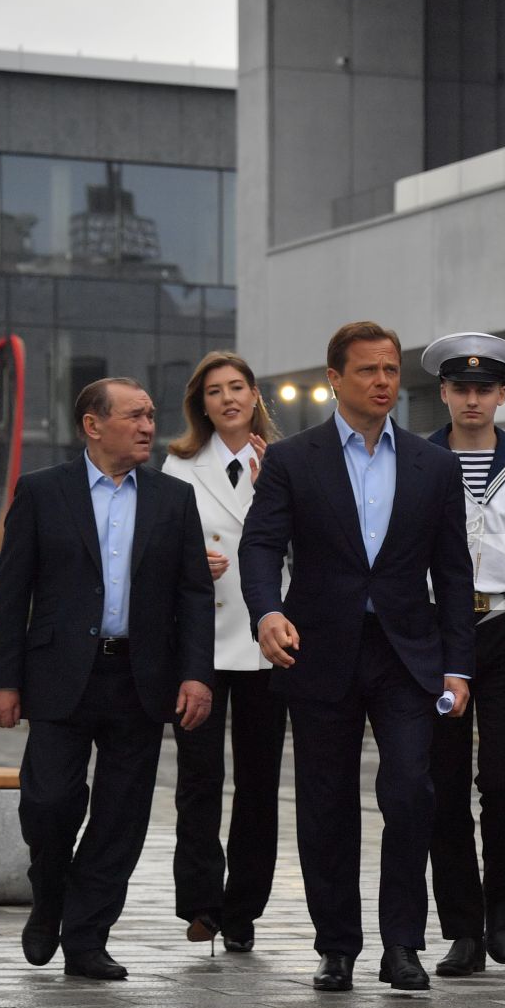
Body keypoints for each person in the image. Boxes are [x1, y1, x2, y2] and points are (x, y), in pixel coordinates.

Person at [240, 320, 474, 995]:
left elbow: (454, 572)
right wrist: (267, 612)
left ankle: (402, 944)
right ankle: (336, 944)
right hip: (319, 649)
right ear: (334, 379)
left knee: (410, 792)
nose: (382, 383)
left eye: (391, 371)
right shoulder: (294, 460)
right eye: (368, 371)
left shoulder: (434, 465)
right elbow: (261, 547)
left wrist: (459, 665)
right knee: (325, 803)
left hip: (406, 654)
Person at [0, 376, 215, 979]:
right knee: (48, 801)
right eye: (135, 416)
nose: (147, 427)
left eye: (150, 416)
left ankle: (87, 938)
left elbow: (193, 595)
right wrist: (1, 680)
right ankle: (50, 892)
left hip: (140, 678)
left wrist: (197, 675)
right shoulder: (41, 491)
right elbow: (12, 592)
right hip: (60, 675)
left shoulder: (173, 498)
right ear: (93, 424)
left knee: (121, 816)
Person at [420, 332, 505, 979]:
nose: (471, 400)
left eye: (484, 390)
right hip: (439, 632)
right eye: (460, 389)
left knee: (504, 777)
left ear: (503, 395)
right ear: (444, 393)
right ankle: (463, 926)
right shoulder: (416, 462)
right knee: (443, 788)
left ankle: (499, 892)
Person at [160, 351, 286, 954]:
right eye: (215, 391)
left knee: (260, 781)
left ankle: (244, 909)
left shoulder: (286, 463)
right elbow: (155, 551)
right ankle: (201, 901)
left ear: (255, 394)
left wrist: (270, 491)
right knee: (199, 777)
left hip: (267, 638)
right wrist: (189, 563)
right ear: (201, 404)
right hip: (202, 640)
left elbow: (312, 548)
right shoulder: (178, 464)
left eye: (238, 387)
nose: (228, 399)